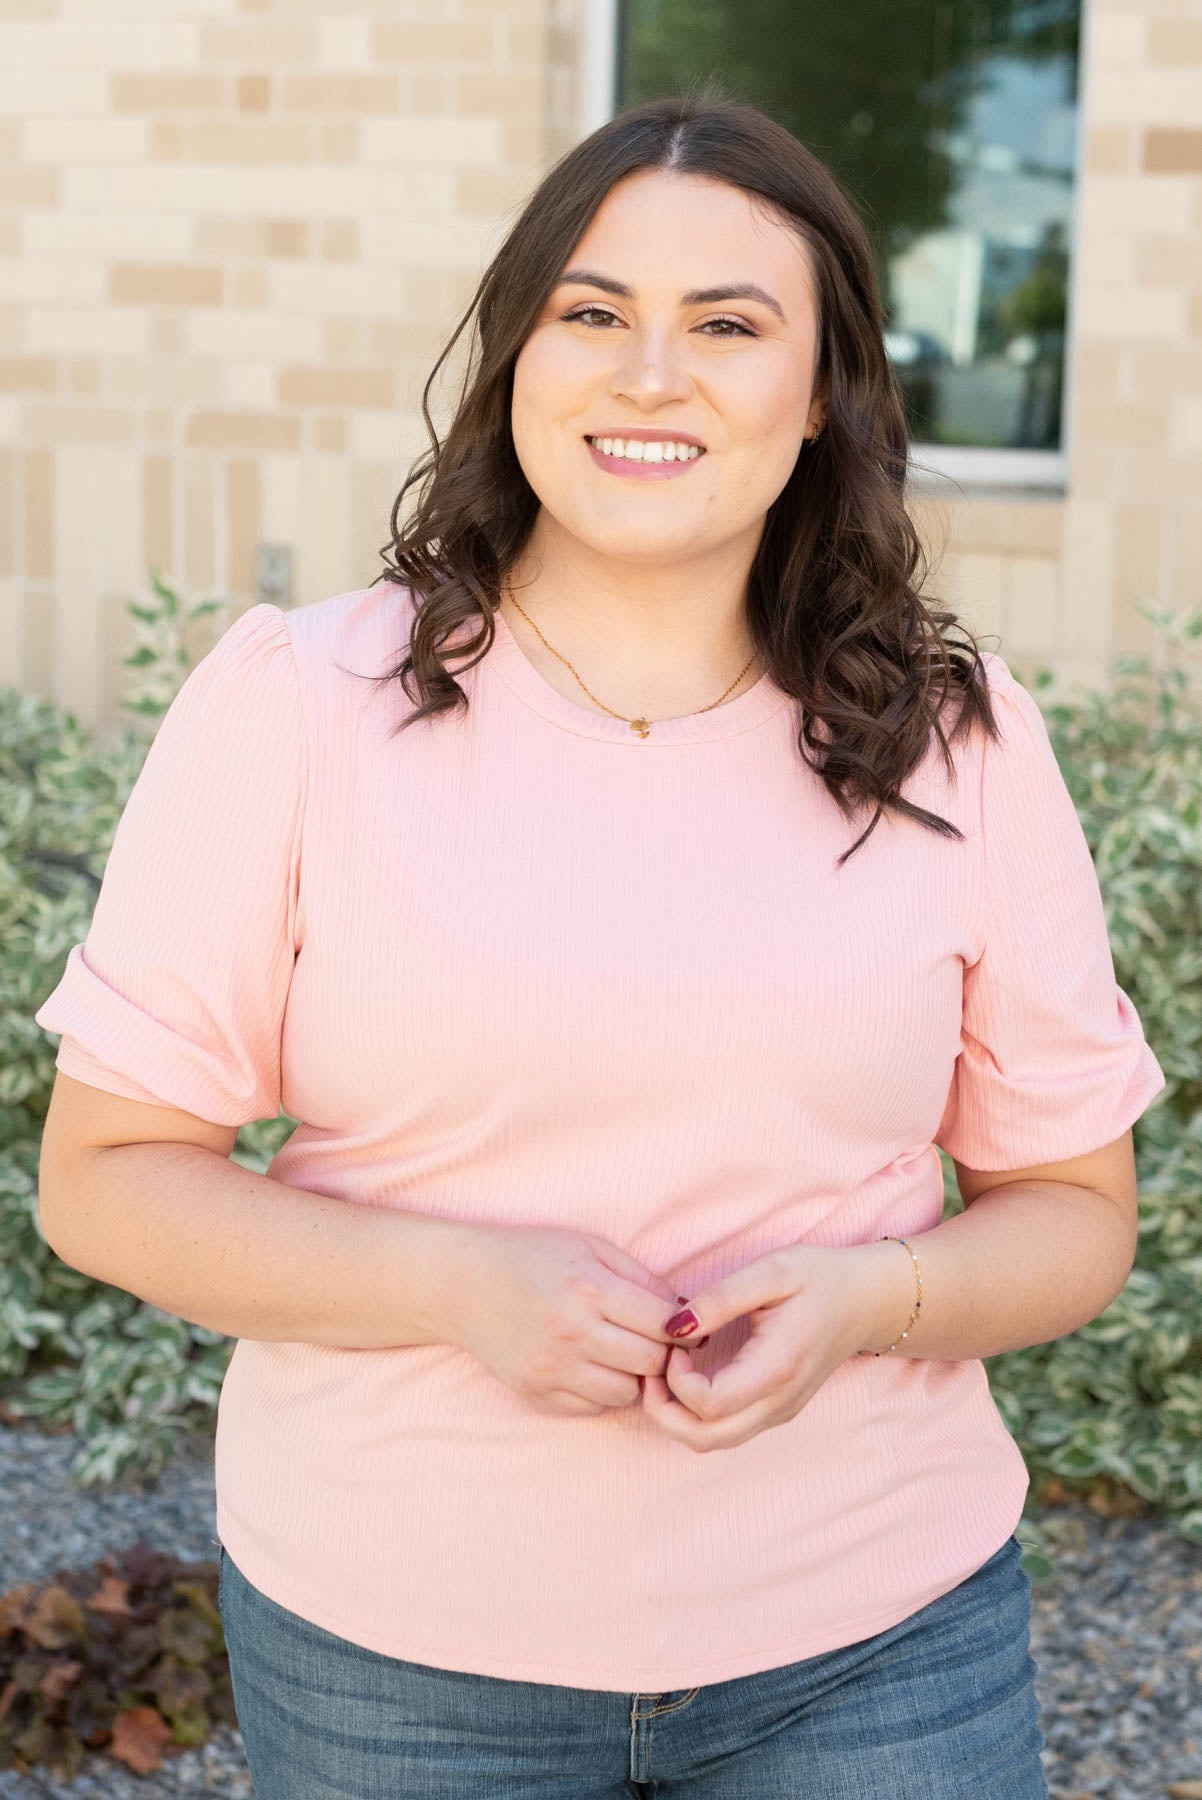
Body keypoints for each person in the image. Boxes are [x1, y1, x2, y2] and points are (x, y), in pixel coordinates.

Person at [34, 92, 1165, 1798]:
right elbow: (106, 1178)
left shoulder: (958, 738)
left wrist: (875, 1300)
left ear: (820, 398)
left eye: (728, 324)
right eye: (591, 313)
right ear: (516, 365)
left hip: (876, 1642)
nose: (652, 374)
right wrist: (452, 1285)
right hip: (394, 1652)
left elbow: (1076, 1217)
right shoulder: (296, 708)